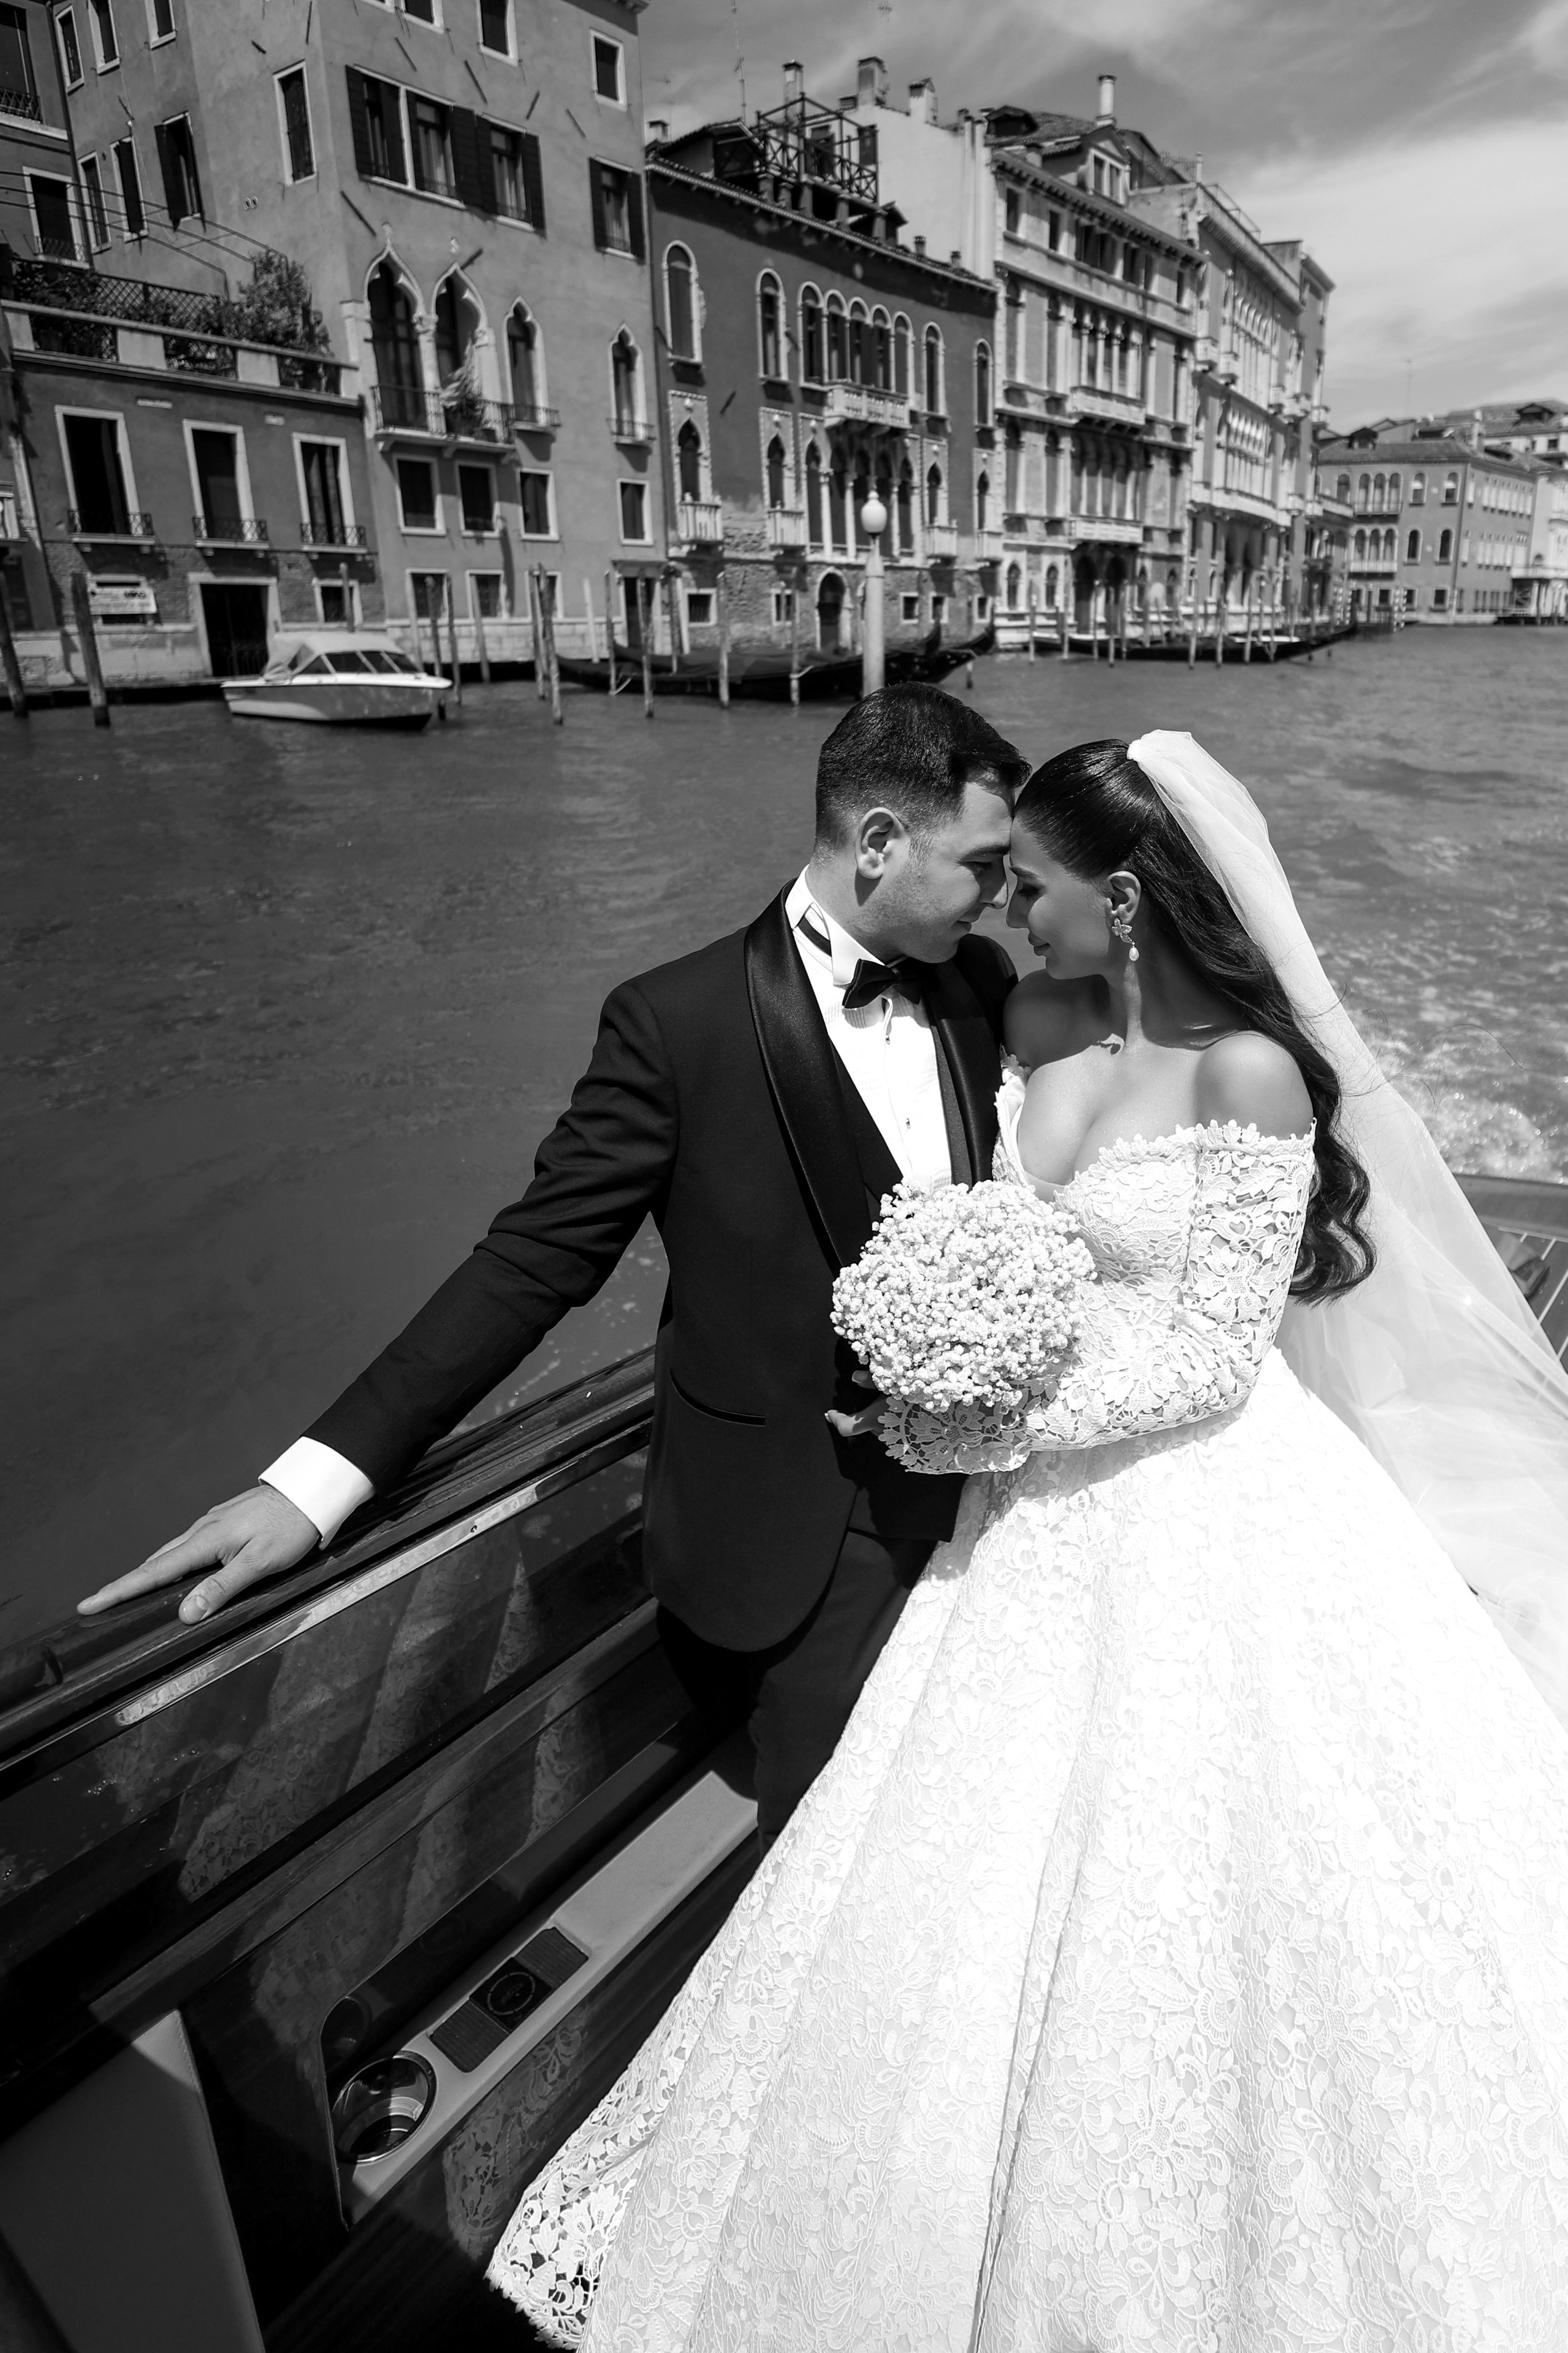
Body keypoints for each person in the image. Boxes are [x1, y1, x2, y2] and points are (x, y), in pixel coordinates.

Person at [489, 732, 1568, 2350]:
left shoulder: (1249, 1076)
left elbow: (1208, 1360)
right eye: (996, 878)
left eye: (1033, 884)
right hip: (1015, 1539)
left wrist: (966, 1424)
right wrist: (944, 1345)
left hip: (1201, 1506)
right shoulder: (1035, 1029)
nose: (1008, 912)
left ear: (1118, 901)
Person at [78, 686, 1027, 1852]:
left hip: (975, 1496)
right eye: (983, 865)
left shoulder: (980, 987)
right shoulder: (674, 1024)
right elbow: (534, 1259)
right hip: (791, 1520)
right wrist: (314, 1484)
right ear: (878, 842)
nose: (1002, 897)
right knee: (824, 1829)